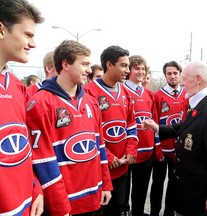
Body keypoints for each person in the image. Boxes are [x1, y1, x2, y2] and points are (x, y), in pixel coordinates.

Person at [26, 40, 112, 215]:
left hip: (95, 197)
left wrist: (106, 183)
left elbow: (99, 146)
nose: (89, 70)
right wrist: (59, 207)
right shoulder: (41, 103)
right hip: (65, 204)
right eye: (85, 64)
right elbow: (42, 161)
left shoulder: (90, 101)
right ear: (65, 64)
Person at [143, 60, 207, 216]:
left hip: (200, 196)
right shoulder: (199, 103)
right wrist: (158, 128)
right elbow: (185, 126)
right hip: (189, 191)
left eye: (184, 78)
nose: (182, 83)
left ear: (198, 79)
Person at [0, 0, 44, 215]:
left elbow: (21, 148)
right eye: (28, 35)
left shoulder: (17, 86)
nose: (33, 44)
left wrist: (35, 187)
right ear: (1, 30)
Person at [84, 45, 138, 216]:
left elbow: (131, 125)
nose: (127, 70)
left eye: (128, 66)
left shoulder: (126, 92)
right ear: (109, 65)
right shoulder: (88, 92)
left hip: (121, 167)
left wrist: (130, 150)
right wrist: (108, 156)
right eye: (123, 65)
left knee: (117, 209)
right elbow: (87, 132)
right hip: (100, 169)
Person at [150, 61, 188, 216]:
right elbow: (154, 122)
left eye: (175, 73)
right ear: (165, 75)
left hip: (178, 149)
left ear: (180, 74)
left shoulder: (187, 94)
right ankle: (154, 212)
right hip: (162, 149)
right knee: (157, 184)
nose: (172, 76)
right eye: (169, 73)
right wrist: (157, 147)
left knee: (175, 184)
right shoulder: (158, 96)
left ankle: (169, 212)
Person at [123, 55, 158, 216]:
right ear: (129, 69)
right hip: (126, 152)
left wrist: (157, 148)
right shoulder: (121, 90)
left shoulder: (149, 94)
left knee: (140, 191)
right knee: (122, 193)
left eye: (143, 68)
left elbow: (155, 123)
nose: (141, 72)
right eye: (137, 68)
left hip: (146, 152)